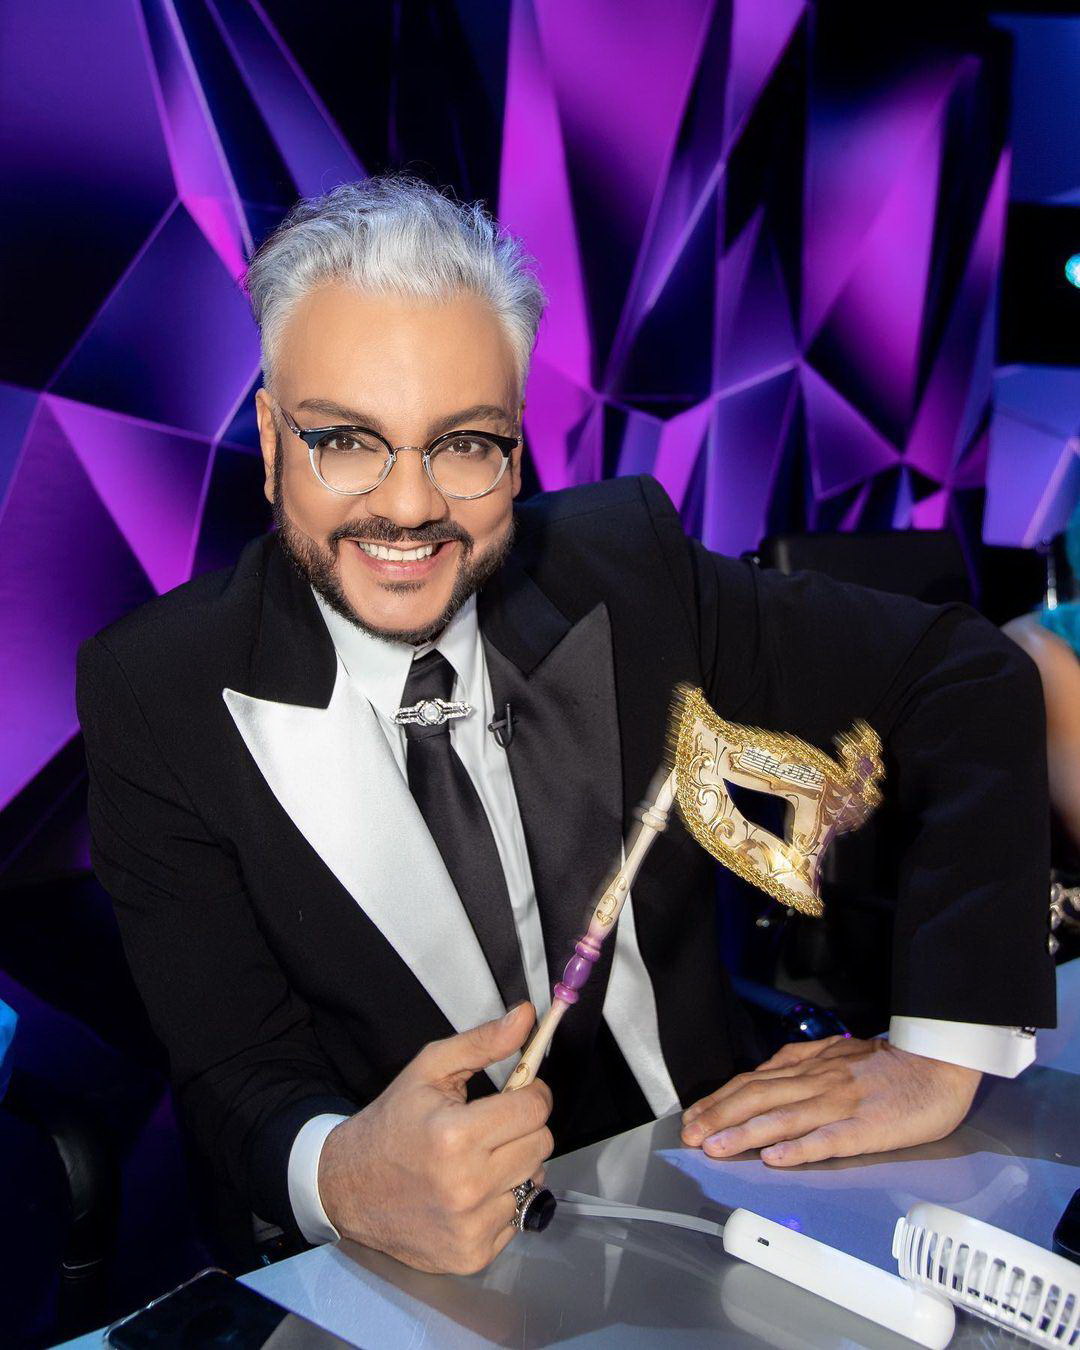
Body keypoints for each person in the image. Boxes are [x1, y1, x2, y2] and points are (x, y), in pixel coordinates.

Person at [76, 177, 1055, 1278]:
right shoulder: (155, 691)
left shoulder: (626, 565)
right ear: (269, 438)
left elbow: (966, 675)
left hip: (713, 1193)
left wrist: (942, 1051)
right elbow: (234, 1075)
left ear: (517, 443)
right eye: (346, 440)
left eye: (464, 444)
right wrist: (341, 1175)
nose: (409, 507)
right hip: (405, 1273)